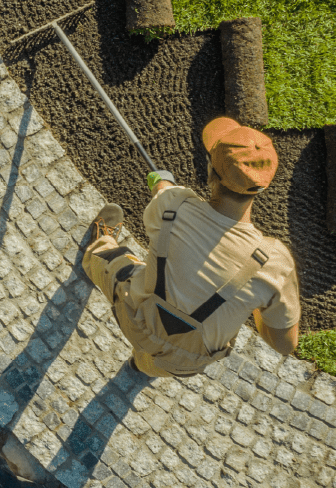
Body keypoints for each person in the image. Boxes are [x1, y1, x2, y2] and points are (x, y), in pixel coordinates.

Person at [83, 117, 301, 378]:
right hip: (185, 360)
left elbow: (164, 197)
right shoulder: (275, 264)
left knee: (107, 257)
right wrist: (257, 304)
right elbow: (285, 344)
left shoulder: (173, 205)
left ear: (210, 171)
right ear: (262, 185)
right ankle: (139, 367)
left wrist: (162, 183)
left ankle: (99, 244)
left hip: (134, 316)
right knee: (156, 365)